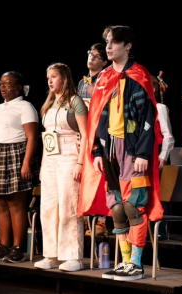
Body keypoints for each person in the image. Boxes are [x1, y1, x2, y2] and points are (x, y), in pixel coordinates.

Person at [78, 25, 164, 281]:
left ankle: (136, 263)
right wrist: (96, 152)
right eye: (107, 43)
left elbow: (148, 119)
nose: (108, 47)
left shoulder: (139, 75)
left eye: (114, 42)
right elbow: (96, 119)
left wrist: (143, 154)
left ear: (127, 46)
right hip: (110, 150)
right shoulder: (103, 78)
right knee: (116, 208)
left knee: (133, 207)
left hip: (133, 151)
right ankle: (124, 261)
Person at [0, 71, 40, 263]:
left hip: (15, 154)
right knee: (0, 203)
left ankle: (18, 248)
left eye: (8, 83)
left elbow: (32, 137)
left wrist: (26, 163)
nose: (3, 87)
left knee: (16, 204)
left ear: (19, 87)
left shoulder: (25, 106)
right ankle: (3, 246)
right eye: (1, 83)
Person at [34, 63, 88, 272]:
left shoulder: (76, 102)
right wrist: (42, 166)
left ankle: (73, 256)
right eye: (48, 77)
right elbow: (47, 139)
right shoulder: (49, 104)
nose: (50, 81)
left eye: (54, 77)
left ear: (64, 79)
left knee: (69, 206)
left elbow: (85, 134)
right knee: (48, 207)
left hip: (69, 156)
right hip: (50, 159)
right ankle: (52, 255)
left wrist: (80, 163)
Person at [77, 43, 110, 237]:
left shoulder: (105, 79)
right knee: (85, 178)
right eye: (90, 54)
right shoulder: (83, 82)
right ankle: (85, 219)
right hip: (84, 134)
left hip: (100, 134)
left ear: (105, 62)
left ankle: (102, 221)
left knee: (101, 178)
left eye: (96, 56)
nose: (91, 58)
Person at [149, 74, 175, 240]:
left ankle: (161, 230)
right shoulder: (139, 108)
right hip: (146, 155)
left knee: (160, 193)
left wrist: (163, 156)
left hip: (159, 156)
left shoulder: (160, 108)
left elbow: (168, 136)